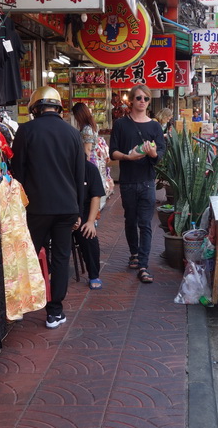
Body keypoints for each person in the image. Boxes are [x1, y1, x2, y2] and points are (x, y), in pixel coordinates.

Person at [11, 86, 85, 329]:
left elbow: (17, 173)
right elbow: (79, 175)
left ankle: (22, 305)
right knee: (61, 258)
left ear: (35, 108)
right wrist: (78, 212)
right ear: (58, 108)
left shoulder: (26, 130)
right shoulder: (73, 134)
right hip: (66, 208)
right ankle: (55, 311)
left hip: (36, 208)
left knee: (28, 255)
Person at [109, 84, 165, 284]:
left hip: (147, 182)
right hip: (127, 181)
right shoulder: (121, 125)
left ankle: (143, 264)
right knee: (130, 220)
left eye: (146, 99)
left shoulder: (155, 127)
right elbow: (113, 152)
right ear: (131, 100)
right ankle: (134, 253)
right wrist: (127, 157)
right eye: (139, 98)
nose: (142, 101)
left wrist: (153, 154)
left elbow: (160, 157)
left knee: (146, 223)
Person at [72, 101, 114, 205]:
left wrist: (84, 166)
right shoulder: (91, 126)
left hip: (90, 160)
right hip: (94, 159)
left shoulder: (86, 129)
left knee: (90, 189)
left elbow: (87, 149)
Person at [74, 158, 105, 290]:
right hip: (64, 211)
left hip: (85, 211)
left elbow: (96, 196)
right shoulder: (59, 167)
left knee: (88, 233)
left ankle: (94, 274)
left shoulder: (90, 169)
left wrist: (91, 221)